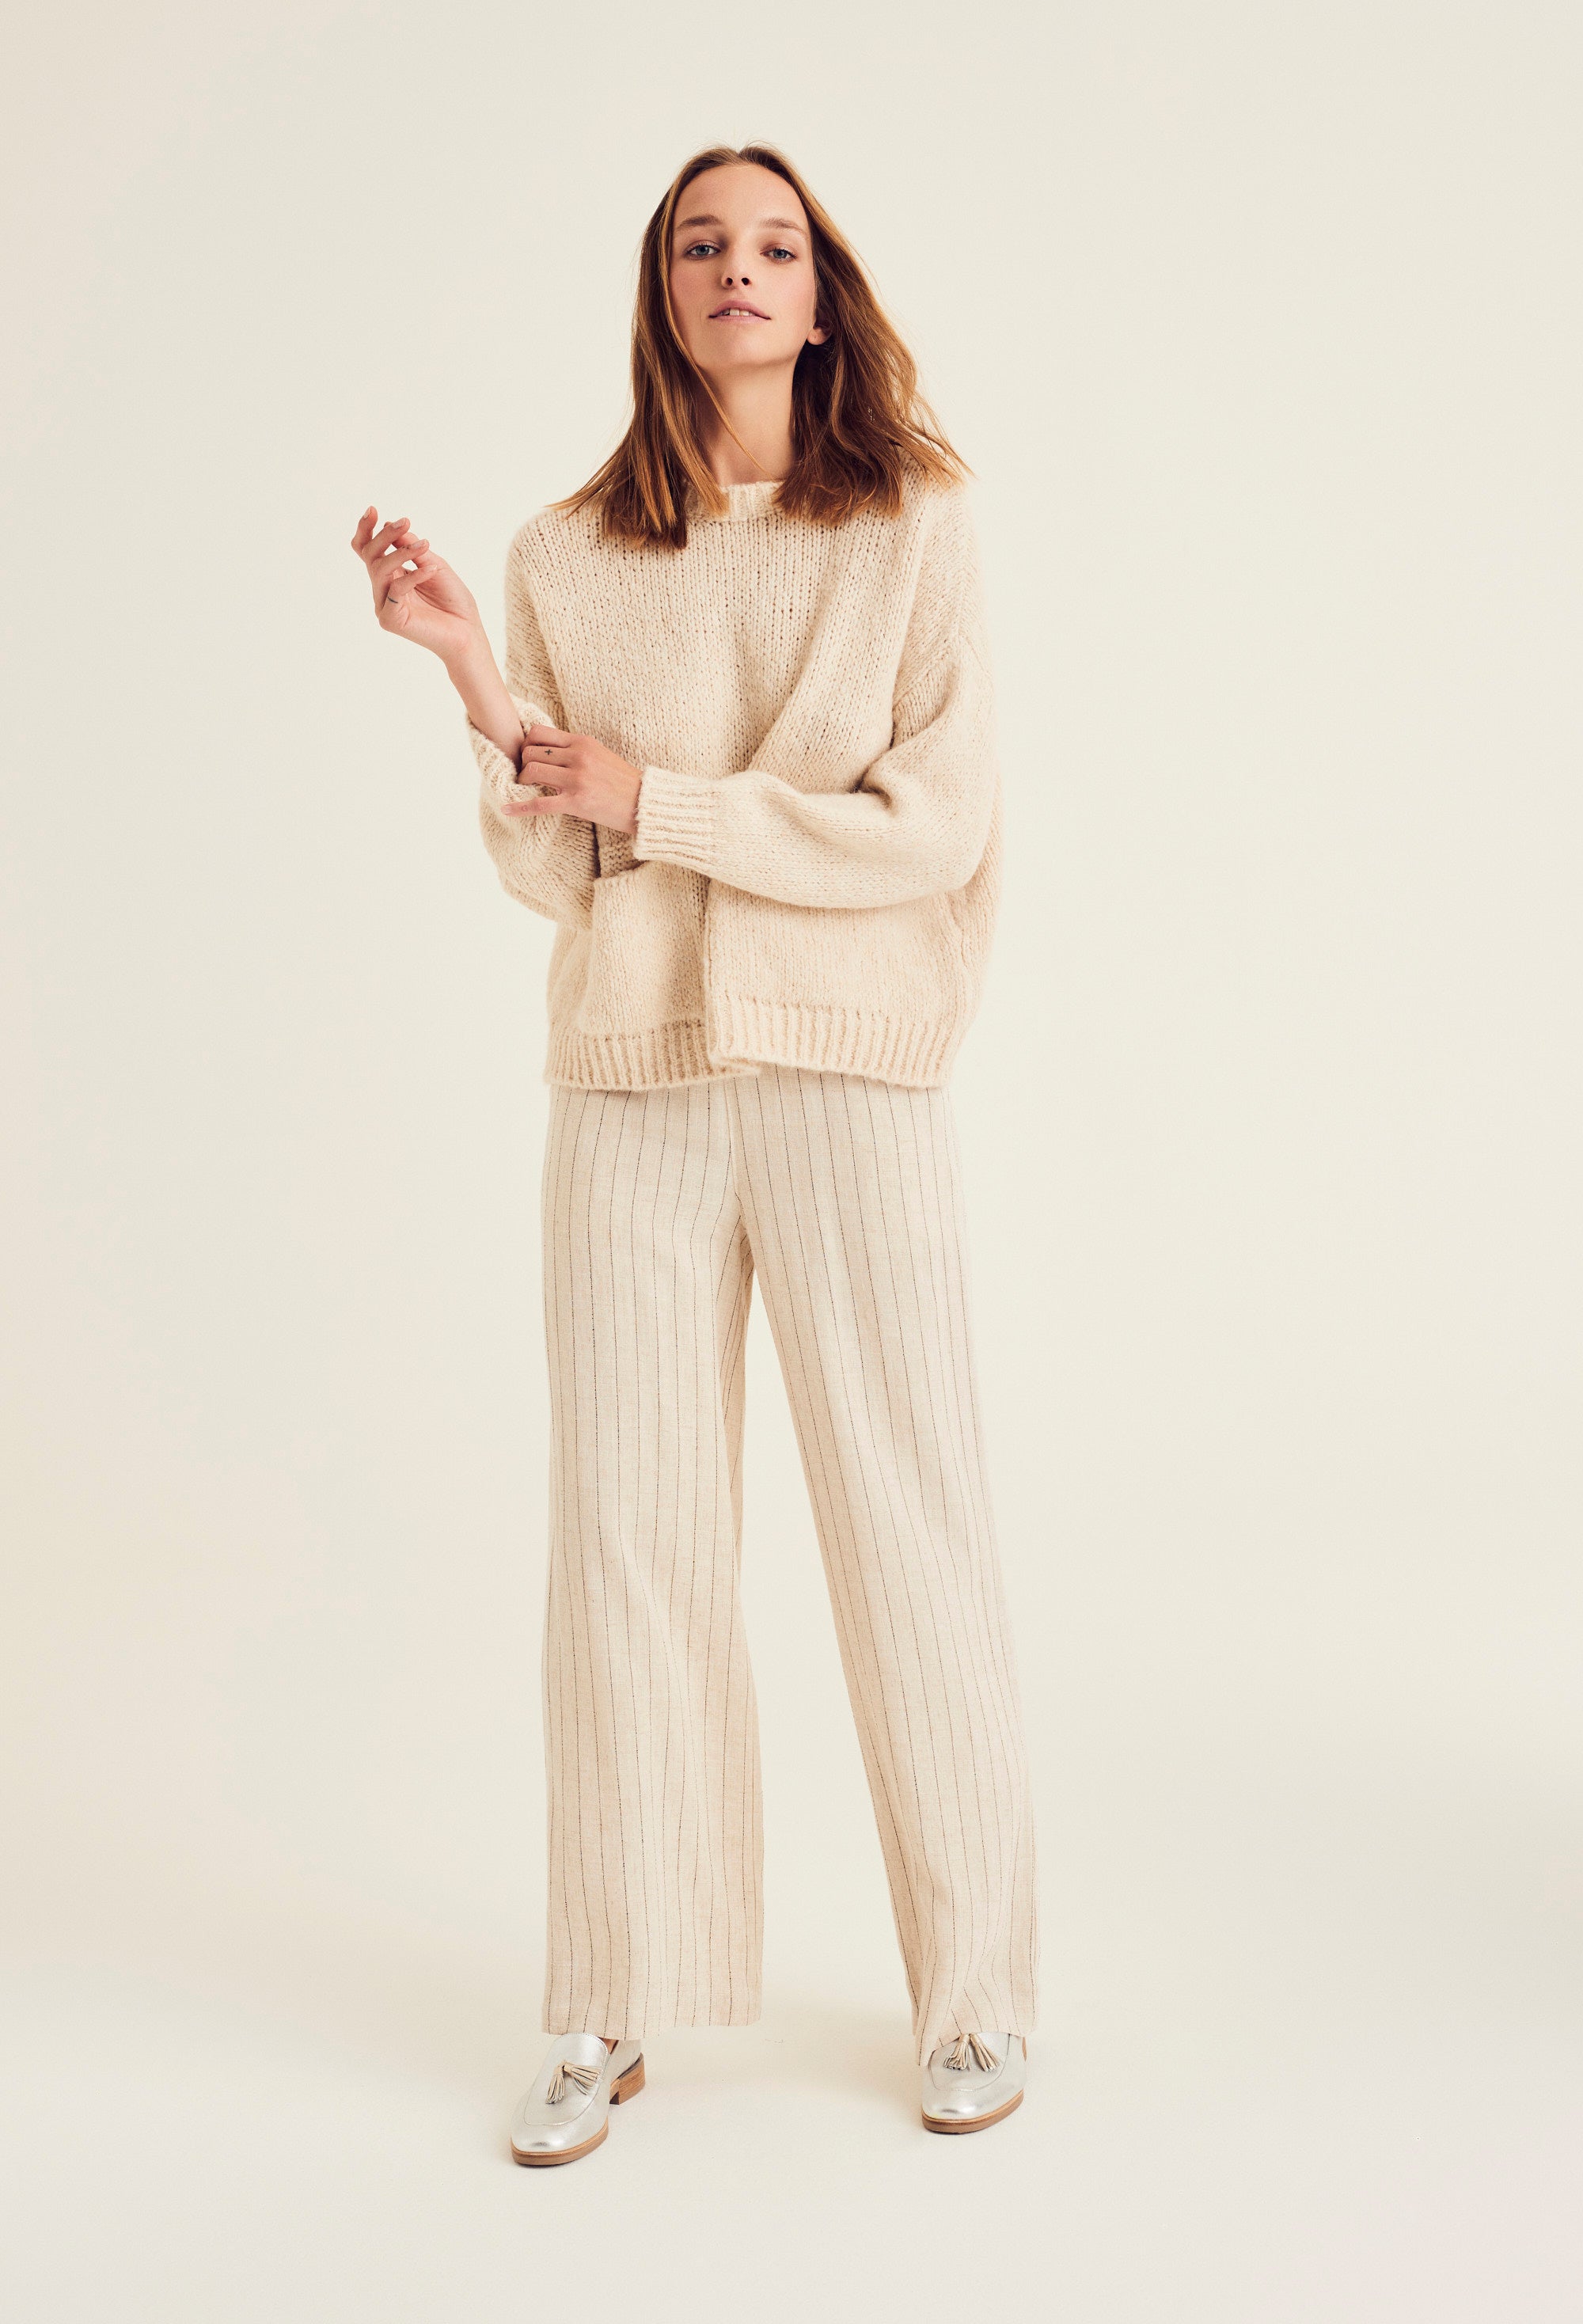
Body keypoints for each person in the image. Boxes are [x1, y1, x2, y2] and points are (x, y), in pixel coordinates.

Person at [350, 139, 1038, 2161]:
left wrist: (671, 802)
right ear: (663, 294)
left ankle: (977, 1991)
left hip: (851, 1079)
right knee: (626, 1546)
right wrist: (475, 676)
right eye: (700, 246)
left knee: (908, 1525)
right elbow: (557, 866)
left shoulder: (916, 523)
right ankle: (606, 2003)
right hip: (629, 1083)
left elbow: (932, 828)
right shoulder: (567, 552)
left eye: (776, 246)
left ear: (822, 300)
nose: (739, 270)